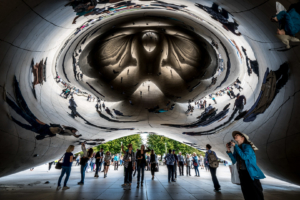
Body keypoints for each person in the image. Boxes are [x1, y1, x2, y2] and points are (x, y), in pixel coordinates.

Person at [226, 131, 265, 200]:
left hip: (250, 172)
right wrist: (228, 150)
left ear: (242, 138)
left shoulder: (247, 146)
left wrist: (236, 146)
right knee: (246, 192)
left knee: (255, 192)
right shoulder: (236, 147)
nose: (235, 136)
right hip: (242, 172)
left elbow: (245, 157)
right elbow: (234, 160)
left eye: (237, 135)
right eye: (234, 136)